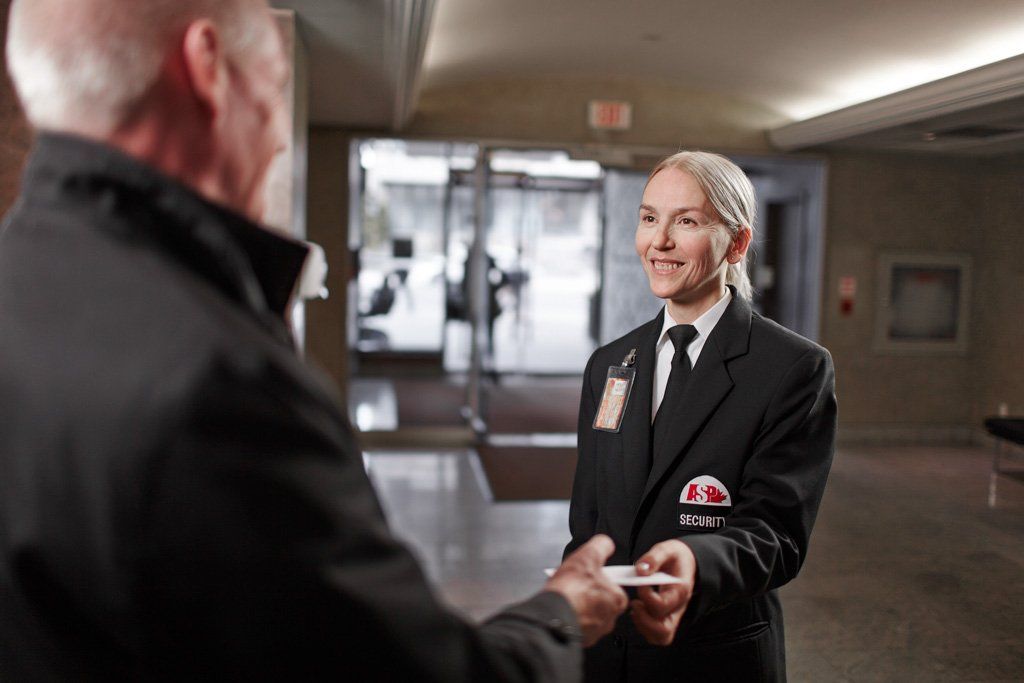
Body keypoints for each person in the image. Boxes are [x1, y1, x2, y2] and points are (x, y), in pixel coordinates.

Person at [0, 1, 628, 679]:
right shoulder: (219, 381)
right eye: (272, 89)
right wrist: (559, 613)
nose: (275, 139)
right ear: (208, 70)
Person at [565, 151, 837, 681]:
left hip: (714, 652)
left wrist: (694, 564)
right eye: (649, 218)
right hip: (608, 653)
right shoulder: (610, 365)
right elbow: (589, 516)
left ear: (736, 242)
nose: (658, 242)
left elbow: (775, 535)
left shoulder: (794, 368)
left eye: (685, 221)